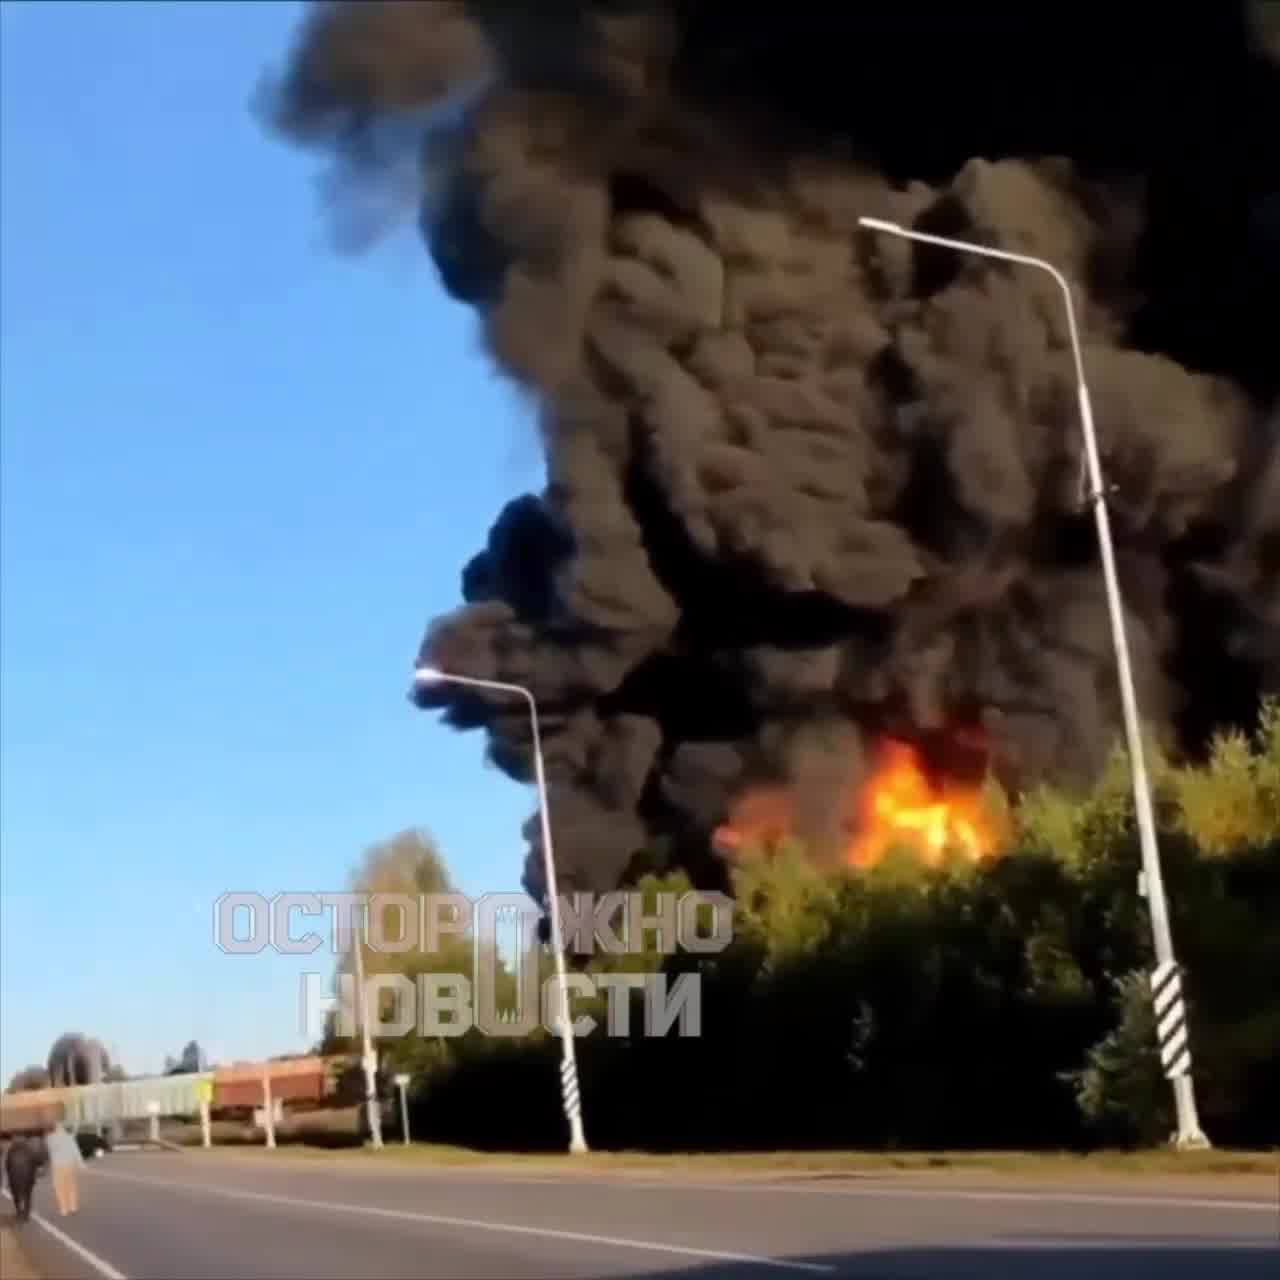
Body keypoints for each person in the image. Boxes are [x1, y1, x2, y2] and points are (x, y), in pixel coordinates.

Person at [44, 1121, 83, 1216]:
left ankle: (64, 1209)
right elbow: (75, 1151)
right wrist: (80, 1163)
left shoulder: (50, 1139)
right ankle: (73, 1207)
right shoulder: (69, 1137)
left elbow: (48, 1151)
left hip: (58, 1166)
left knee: (60, 1188)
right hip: (70, 1164)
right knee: (71, 1186)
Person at [3, 1134, 40, 1223]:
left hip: (16, 1177)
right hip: (26, 1177)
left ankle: (21, 1212)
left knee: (18, 1196)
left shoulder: (12, 1150)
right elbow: (35, 1163)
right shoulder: (28, 1150)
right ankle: (24, 1213)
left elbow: (7, 1165)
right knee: (26, 1195)